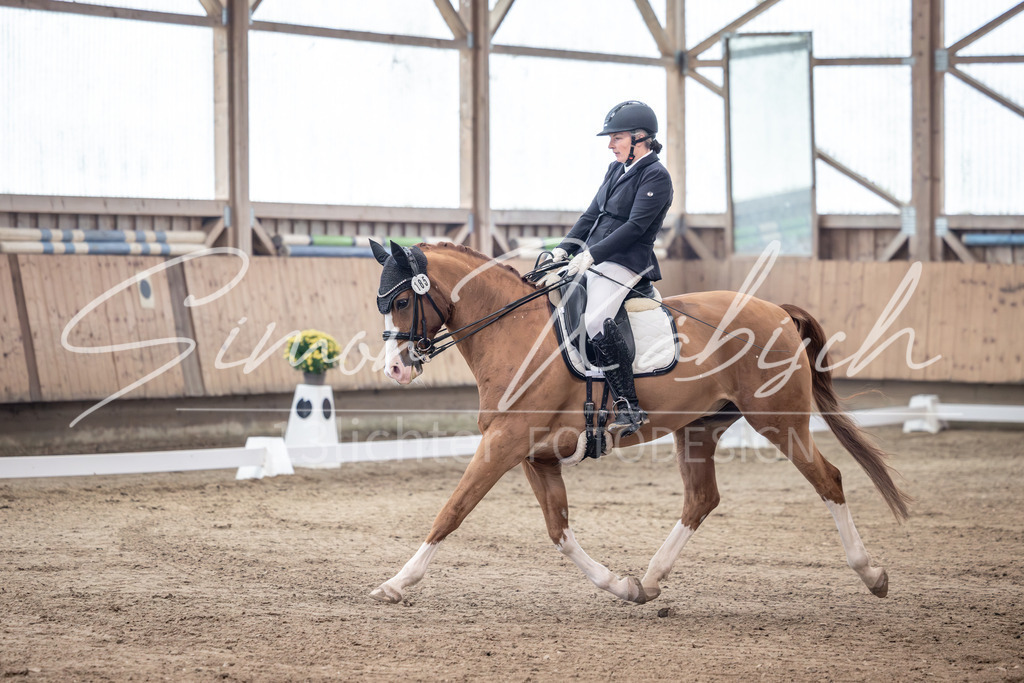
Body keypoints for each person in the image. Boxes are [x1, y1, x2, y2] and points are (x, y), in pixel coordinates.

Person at [550, 100, 674, 438]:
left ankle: (628, 405)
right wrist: (565, 247)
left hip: (627, 261)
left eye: (616, 138)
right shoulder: (615, 169)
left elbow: (635, 227)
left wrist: (593, 255)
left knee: (594, 320)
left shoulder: (656, 176)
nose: (610, 145)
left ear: (640, 138)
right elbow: (592, 215)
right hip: (596, 255)